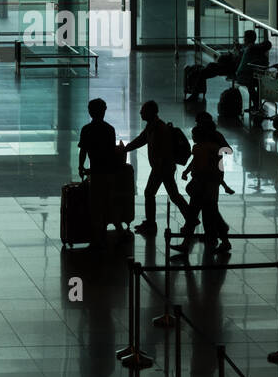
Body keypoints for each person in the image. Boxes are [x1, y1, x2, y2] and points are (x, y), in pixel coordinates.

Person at [124, 100, 191, 235]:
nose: (140, 112)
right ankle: (191, 218)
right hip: (163, 167)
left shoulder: (160, 129)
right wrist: (125, 149)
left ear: (150, 112)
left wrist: (159, 168)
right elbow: (140, 140)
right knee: (173, 195)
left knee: (150, 193)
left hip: (162, 168)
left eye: (143, 110)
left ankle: (151, 224)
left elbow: (164, 150)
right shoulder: (152, 127)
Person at [174, 124, 231, 258]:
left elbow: (199, 164)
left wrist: (188, 172)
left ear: (199, 136)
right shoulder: (212, 149)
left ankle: (186, 243)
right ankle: (223, 239)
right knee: (207, 214)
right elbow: (216, 170)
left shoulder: (201, 148)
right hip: (207, 187)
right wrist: (222, 184)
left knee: (194, 216)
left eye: (194, 135)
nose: (192, 137)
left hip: (202, 187)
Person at [78, 98, 124, 240]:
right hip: (109, 171)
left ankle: (98, 231)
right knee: (110, 200)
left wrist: (81, 166)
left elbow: (83, 151)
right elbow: (111, 152)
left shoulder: (87, 129)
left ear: (90, 112)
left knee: (96, 202)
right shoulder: (109, 129)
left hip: (96, 171)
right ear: (104, 111)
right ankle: (117, 228)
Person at [233, 29, 273, 111]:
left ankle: (256, 105)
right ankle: (257, 105)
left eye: (244, 38)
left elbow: (244, 52)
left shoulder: (250, 48)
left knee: (250, 84)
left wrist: (237, 49)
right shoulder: (254, 49)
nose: (243, 39)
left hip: (243, 75)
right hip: (251, 75)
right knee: (256, 84)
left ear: (248, 39)